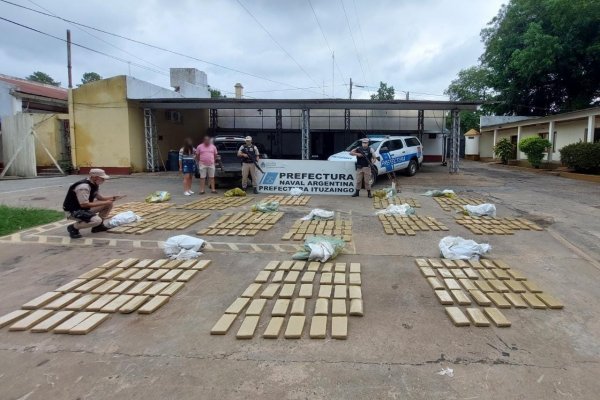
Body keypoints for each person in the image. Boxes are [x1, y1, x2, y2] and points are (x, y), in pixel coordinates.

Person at [62, 168, 125, 238]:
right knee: (96, 220)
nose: (104, 180)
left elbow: (100, 198)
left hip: (83, 208)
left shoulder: (94, 184)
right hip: (73, 211)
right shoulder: (84, 187)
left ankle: (98, 227)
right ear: (95, 177)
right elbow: (84, 204)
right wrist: (105, 202)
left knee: (109, 204)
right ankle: (73, 227)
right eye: (102, 178)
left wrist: (113, 198)